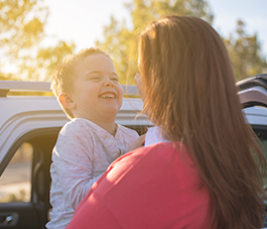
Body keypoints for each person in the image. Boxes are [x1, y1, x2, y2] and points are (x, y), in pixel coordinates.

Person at [66, 16, 267, 229]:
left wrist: (126, 163)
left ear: (164, 81)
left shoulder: (148, 167)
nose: (136, 79)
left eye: (142, 70)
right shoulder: (232, 162)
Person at [46, 48, 139, 229]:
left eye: (114, 79)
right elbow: (80, 198)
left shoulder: (131, 137)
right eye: (96, 78)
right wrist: (129, 163)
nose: (109, 83)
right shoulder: (74, 133)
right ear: (68, 100)